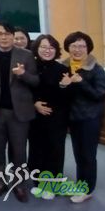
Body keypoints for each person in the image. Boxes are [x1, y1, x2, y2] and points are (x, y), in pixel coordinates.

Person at [0, 22, 38, 203]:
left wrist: (23, 74)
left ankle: (19, 184)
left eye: (7, 33)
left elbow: (35, 81)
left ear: (13, 36)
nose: (3, 37)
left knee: (19, 151)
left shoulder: (26, 55)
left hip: (19, 112)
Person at [61, 31, 105, 203]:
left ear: (88, 48)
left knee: (88, 155)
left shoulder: (96, 69)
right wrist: (62, 85)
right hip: (72, 118)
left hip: (90, 118)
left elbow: (99, 94)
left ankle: (87, 189)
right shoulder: (65, 67)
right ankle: (81, 184)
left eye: (82, 46)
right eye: (74, 46)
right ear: (68, 48)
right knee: (78, 154)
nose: (78, 49)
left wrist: (81, 82)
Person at [28, 34, 69, 200]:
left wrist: (63, 86)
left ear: (56, 50)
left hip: (56, 118)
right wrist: (34, 103)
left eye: (51, 47)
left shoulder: (62, 69)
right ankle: (38, 183)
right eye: (43, 47)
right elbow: (24, 90)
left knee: (55, 151)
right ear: (37, 49)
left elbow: (68, 97)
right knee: (37, 150)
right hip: (35, 117)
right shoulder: (30, 67)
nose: (47, 50)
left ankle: (52, 186)